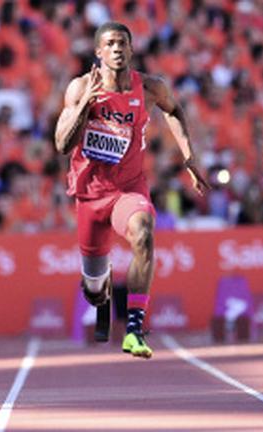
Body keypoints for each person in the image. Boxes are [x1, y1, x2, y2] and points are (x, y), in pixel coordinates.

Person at [54, 22, 209, 359]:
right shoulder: (80, 88)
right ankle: (99, 287)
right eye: (109, 44)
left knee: (143, 233)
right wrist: (85, 106)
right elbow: (62, 144)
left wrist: (189, 156)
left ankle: (134, 328)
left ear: (132, 48)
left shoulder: (151, 88)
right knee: (95, 290)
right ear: (98, 52)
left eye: (122, 43)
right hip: (90, 194)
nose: (116, 49)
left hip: (128, 190)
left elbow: (175, 111)